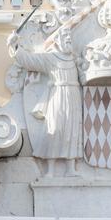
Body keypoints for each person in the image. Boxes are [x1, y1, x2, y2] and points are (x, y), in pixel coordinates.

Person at [8, 27, 82, 177]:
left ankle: (70, 168)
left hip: (74, 96)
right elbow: (30, 60)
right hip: (58, 95)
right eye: (65, 38)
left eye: (69, 38)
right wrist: (15, 46)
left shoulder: (74, 59)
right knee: (54, 129)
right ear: (59, 41)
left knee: (72, 131)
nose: (68, 40)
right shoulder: (51, 58)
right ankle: (51, 170)